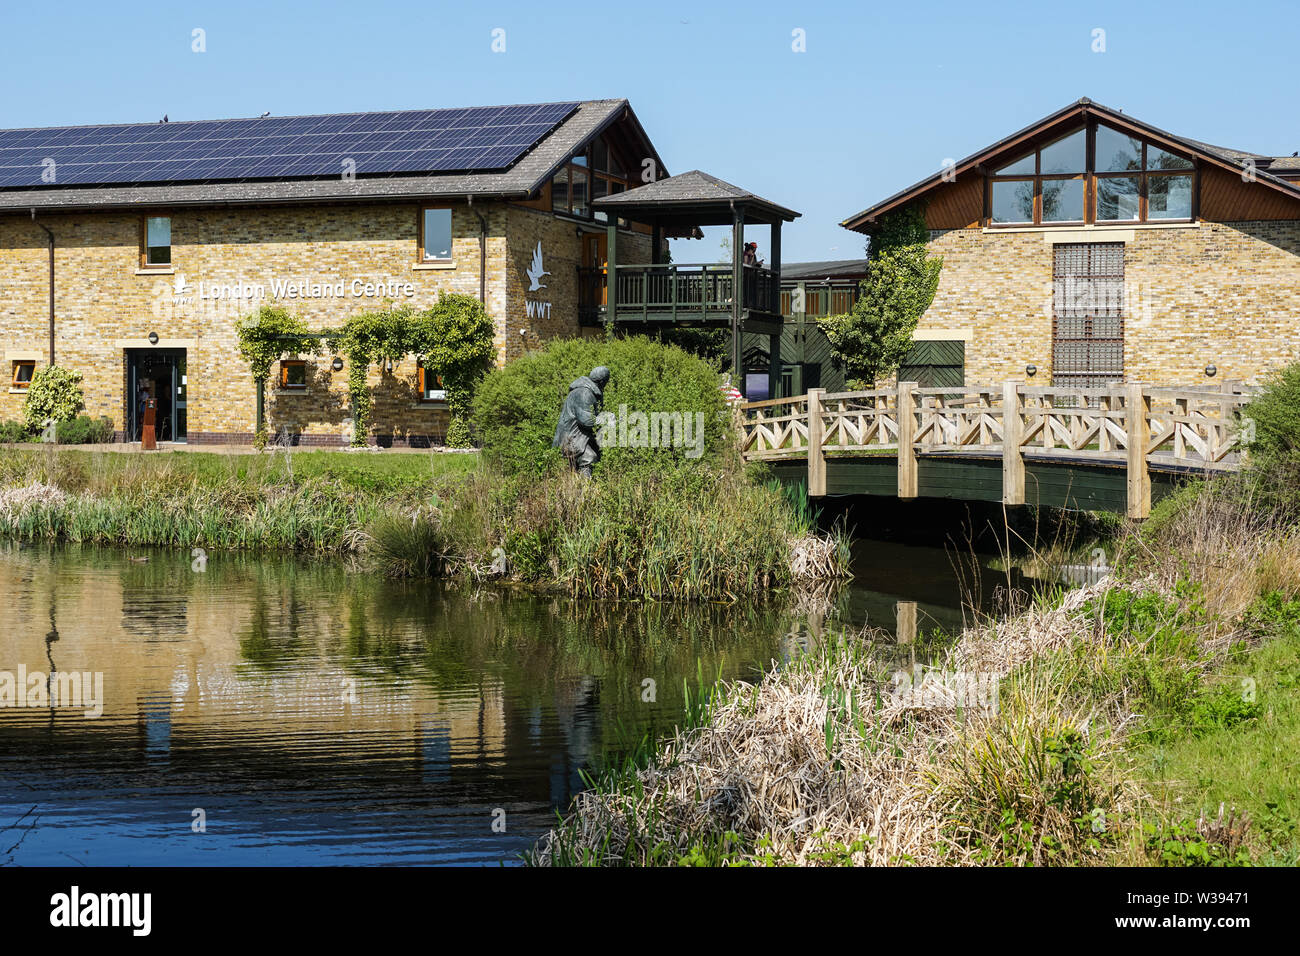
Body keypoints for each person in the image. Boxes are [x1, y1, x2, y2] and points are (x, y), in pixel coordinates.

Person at [552, 366, 610, 478]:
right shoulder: (584, 393)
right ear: (602, 382)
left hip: (579, 435)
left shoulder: (586, 391)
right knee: (589, 457)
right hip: (571, 437)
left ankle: (578, 486)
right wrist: (605, 420)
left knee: (600, 450)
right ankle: (585, 489)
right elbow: (586, 421)